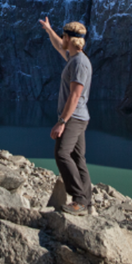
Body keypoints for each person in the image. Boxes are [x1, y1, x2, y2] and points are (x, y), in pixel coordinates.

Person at [38, 17, 93, 216]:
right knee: (78, 159)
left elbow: (75, 95)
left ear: (69, 38)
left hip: (74, 118)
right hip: (79, 117)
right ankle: (87, 202)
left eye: (64, 36)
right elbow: (58, 46)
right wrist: (49, 30)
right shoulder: (74, 57)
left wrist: (62, 121)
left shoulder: (79, 63)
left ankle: (78, 200)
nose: (62, 39)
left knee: (62, 154)